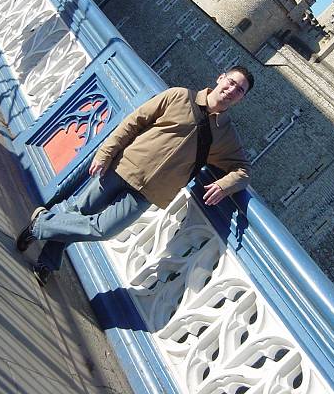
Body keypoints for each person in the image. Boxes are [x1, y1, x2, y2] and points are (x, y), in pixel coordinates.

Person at [16, 66, 254, 286]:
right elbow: (134, 122)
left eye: (240, 90)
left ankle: (41, 223)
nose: (232, 90)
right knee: (80, 213)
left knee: (104, 230)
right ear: (220, 78)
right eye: (231, 82)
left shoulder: (226, 135)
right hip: (122, 166)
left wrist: (224, 185)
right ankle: (47, 263)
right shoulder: (179, 95)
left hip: (150, 193)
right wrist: (106, 153)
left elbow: (243, 170)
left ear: (242, 98)